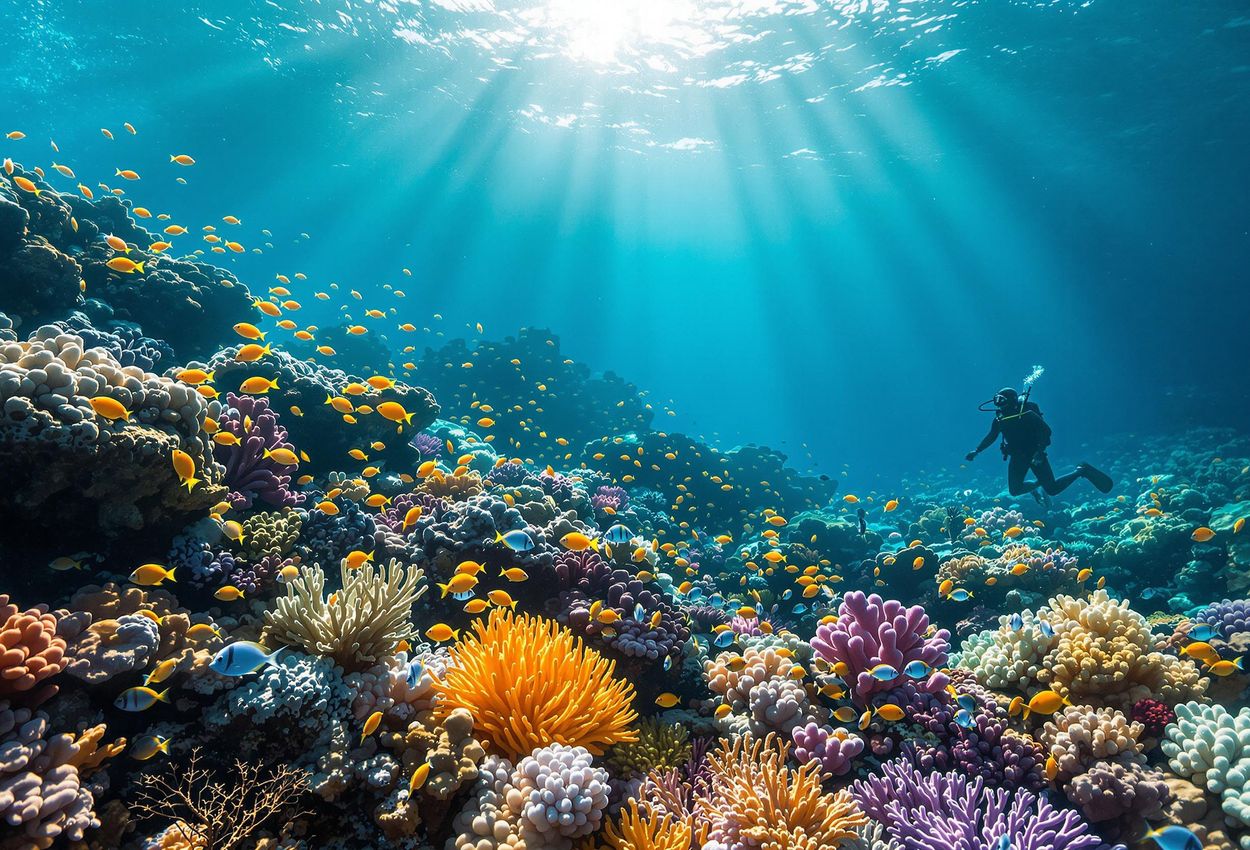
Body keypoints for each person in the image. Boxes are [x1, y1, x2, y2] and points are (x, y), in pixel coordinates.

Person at [965, 387, 1113, 501]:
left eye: (1001, 400)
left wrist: (1039, 452)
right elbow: (991, 436)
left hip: (1035, 454)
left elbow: (1046, 431)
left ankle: (1081, 471)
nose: (998, 404)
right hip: (1017, 456)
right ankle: (1038, 484)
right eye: (996, 400)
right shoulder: (999, 419)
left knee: (1052, 489)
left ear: (1011, 400)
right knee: (1015, 490)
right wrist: (977, 451)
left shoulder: (1027, 414)